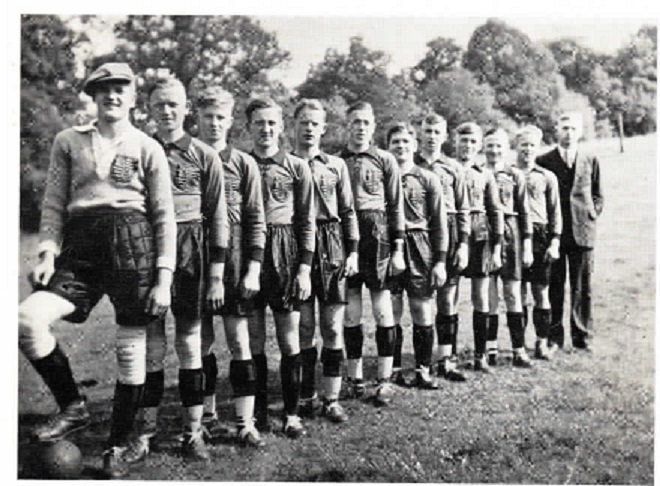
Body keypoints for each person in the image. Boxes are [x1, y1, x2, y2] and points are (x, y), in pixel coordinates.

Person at [18, 63, 177, 478]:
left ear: (133, 94)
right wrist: (47, 252)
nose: (112, 95)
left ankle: (117, 445)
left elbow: (164, 217)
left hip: (133, 244)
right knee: (27, 320)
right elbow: (52, 204)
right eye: (103, 88)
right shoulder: (69, 140)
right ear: (93, 94)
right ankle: (73, 406)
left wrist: (163, 276)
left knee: (131, 351)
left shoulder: (147, 146)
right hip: (82, 246)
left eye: (120, 87)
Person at [136, 76, 229, 461]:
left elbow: (218, 216)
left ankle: (193, 432)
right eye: (160, 105)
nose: (168, 111)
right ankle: (146, 432)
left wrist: (218, 274)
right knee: (151, 347)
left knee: (190, 344)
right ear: (150, 109)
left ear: (186, 108)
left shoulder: (204, 154)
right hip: (148, 249)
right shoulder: (138, 150)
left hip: (191, 250)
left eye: (174, 104)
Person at [195, 86, 266, 447]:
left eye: (221, 116)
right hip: (196, 256)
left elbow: (256, 220)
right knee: (200, 342)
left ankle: (244, 421)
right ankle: (206, 417)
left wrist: (253, 268)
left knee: (240, 341)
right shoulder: (186, 158)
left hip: (236, 260)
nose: (214, 123)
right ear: (198, 118)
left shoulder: (243, 163)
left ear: (231, 120)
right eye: (208, 116)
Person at [246, 97, 316, 438]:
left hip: (285, 251)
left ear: (281, 127)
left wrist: (304, 269)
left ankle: (291, 413)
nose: (266, 129)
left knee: (289, 339)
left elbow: (306, 223)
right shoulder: (240, 165)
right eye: (259, 122)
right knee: (254, 339)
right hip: (248, 255)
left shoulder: (296, 167)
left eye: (272, 123)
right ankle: (257, 413)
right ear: (249, 127)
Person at [293, 99, 359, 423]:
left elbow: (347, 211)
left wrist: (354, 251)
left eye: (314, 123)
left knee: (332, 326)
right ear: (295, 125)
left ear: (323, 128)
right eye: (303, 122)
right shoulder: (286, 164)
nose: (309, 128)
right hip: (297, 246)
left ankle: (332, 398)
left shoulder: (335, 165)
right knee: (304, 327)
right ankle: (307, 395)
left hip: (331, 244)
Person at [339, 101, 406, 407]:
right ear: (347, 124)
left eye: (366, 122)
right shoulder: (336, 160)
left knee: (382, 309)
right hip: (345, 235)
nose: (360, 127)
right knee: (351, 311)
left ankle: (384, 378)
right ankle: (353, 378)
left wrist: (398, 249)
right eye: (355, 121)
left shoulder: (385, 159)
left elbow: (395, 207)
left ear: (373, 125)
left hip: (377, 234)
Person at [387, 122, 448, 389]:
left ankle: (423, 369)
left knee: (422, 308)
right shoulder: (382, 177)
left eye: (405, 141)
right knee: (392, 310)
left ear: (414, 145)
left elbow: (440, 223)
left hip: (420, 245)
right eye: (395, 142)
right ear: (388, 147)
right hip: (388, 246)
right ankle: (395, 368)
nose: (400, 146)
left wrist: (441, 261)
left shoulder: (427, 178)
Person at [537, 112, 603, 351]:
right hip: (554, 234)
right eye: (564, 128)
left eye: (573, 129)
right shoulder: (544, 160)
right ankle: (555, 337)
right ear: (557, 130)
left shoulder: (590, 158)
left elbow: (597, 194)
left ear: (580, 132)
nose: (568, 133)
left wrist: (592, 214)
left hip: (583, 232)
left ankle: (582, 336)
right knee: (554, 285)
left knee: (582, 287)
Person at [413, 114, 470, 382]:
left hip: (449, 234)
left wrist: (464, 245)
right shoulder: (409, 164)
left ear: (445, 136)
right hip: (419, 234)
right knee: (421, 299)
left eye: (437, 131)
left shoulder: (453, 168)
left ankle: (446, 359)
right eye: (427, 131)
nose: (432, 136)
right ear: (419, 133)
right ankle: (421, 364)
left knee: (447, 298)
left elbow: (463, 209)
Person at [483, 128, 534, 368]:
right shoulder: (478, 173)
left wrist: (527, 246)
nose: (494, 150)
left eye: (498, 146)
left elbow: (524, 213)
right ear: (484, 147)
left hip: (511, 235)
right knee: (489, 294)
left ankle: (518, 349)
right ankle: (490, 348)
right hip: (485, 236)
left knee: (513, 293)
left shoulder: (515, 175)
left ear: (506, 148)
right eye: (490, 145)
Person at [455, 122, 503, 373]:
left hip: (480, 235)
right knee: (448, 297)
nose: (468, 146)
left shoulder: (485, 174)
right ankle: (447, 356)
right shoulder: (448, 169)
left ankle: (480, 354)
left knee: (480, 296)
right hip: (453, 235)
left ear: (479, 145)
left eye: (474, 142)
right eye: (464, 140)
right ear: (456, 141)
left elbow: (496, 213)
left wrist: (496, 249)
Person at [516, 126, 562, 359]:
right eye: (524, 144)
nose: (527, 149)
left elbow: (555, 213)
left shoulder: (546, 176)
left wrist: (554, 242)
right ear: (516, 146)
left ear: (538, 148)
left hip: (540, 235)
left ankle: (541, 342)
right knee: (518, 293)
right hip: (514, 236)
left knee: (541, 292)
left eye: (532, 145)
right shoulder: (507, 174)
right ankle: (519, 345)